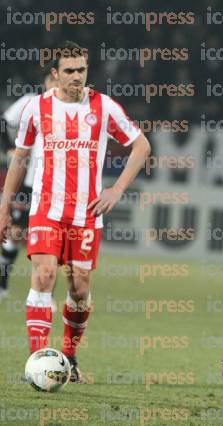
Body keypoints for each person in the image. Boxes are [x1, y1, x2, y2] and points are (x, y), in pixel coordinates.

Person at [0, 41, 151, 381]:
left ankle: (68, 357)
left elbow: (142, 145)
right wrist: (4, 205)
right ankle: (37, 361)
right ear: (55, 74)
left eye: (81, 69)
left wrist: (116, 189)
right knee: (43, 275)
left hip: (86, 214)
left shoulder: (104, 107)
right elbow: (20, 158)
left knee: (79, 287)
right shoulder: (36, 108)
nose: (76, 77)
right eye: (68, 70)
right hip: (45, 208)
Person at [0, 71, 57, 303]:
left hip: (56, 186)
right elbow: (4, 121)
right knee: (15, 233)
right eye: (52, 79)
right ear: (46, 81)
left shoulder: (74, 109)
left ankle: (46, 294)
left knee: (52, 241)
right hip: (29, 180)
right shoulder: (31, 102)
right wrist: (8, 149)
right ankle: (2, 281)